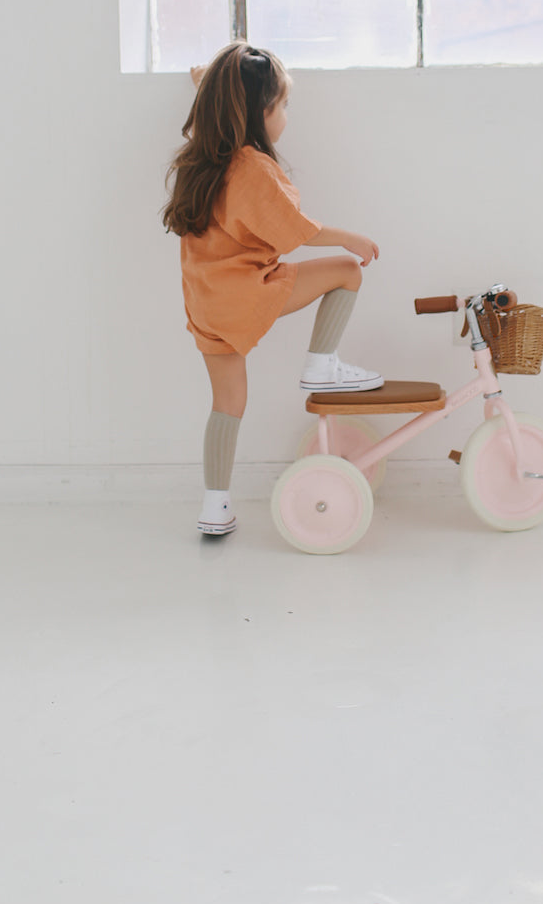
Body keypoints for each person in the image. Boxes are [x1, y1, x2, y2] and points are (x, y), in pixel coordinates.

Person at [162, 42, 383, 537]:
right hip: (250, 291)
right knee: (347, 271)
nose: (286, 115)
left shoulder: (203, 154)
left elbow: (216, 112)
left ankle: (215, 506)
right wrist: (348, 237)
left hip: (207, 301)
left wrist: (205, 85)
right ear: (258, 113)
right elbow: (294, 230)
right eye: (282, 105)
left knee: (227, 405)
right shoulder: (251, 168)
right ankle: (321, 365)